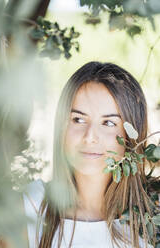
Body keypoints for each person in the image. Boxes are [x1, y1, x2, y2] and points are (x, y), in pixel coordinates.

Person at [25, 61, 157, 248]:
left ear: (131, 135)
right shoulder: (30, 207)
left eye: (109, 123)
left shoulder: (152, 217)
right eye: (78, 119)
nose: (90, 137)